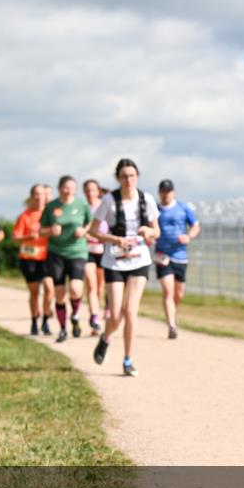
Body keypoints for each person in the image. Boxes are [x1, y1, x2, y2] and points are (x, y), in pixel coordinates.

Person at [90, 158, 160, 377]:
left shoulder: (146, 199)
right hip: (114, 260)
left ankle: (127, 359)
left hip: (139, 259)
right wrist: (114, 239)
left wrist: (149, 232)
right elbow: (94, 231)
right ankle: (106, 337)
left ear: (137, 176)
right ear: (118, 178)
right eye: (124, 176)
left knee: (131, 311)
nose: (128, 180)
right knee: (117, 314)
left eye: (132, 176)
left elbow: (156, 230)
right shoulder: (109, 201)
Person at [40, 175, 92, 342]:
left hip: (77, 251)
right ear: (59, 188)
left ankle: (75, 316)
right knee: (60, 294)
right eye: (66, 187)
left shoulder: (81, 205)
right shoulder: (51, 207)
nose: (69, 190)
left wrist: (84, 231)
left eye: (72, 187)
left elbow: (91, 223)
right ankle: (63, 329)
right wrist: (50, 231)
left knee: (76, 289)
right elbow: (41, 230)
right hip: (56, 253)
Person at [154, 179, 200, 339]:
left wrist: (189, 236)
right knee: (168, 291)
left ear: (173, 192)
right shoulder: (156, 210)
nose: (166, 194)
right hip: (162, 255)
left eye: (168, 191)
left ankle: (173, 313)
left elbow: (195, 226)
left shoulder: (183, 208)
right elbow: (151, 228)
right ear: (160, 193)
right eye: (163, 191)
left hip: (180, 255)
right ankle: (171, 326)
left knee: (178, 293)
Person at [13, 184, 55, 336]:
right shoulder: (25, 216)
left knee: (50, 289)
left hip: (47, 257)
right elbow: (15, 238)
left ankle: (45, 321)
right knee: (35, 292)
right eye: (36, 194)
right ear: (32, 196)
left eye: (42, 194)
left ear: (46, 196)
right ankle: (34, 322)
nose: (39, 197)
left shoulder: (50, 214)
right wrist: (29, 237)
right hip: (29, 258)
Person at [83, 179, 108, 336]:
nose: (90, 193)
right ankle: (94, 319)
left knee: (100, 287)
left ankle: (106, 306)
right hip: (87, 250)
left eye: (93, 190)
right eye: (87, 190)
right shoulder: (82, 208)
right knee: (91, 286)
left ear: (98, 191)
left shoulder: (105, 206)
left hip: (105, 248)